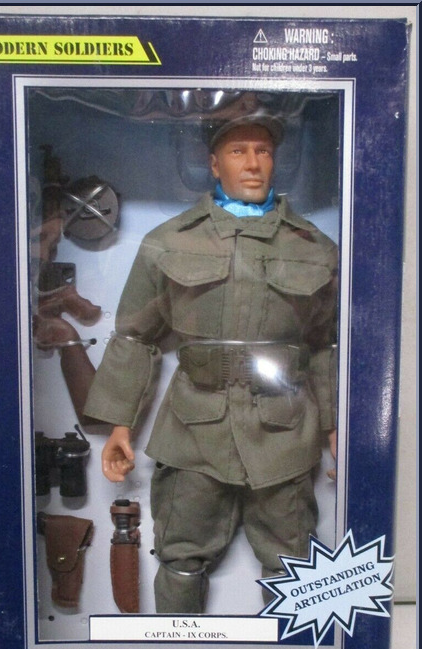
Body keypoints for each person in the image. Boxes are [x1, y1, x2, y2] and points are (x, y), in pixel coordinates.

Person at [84, 112, 338, 614]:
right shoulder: (171, 240)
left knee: (293, 565)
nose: (253, 163)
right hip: (193, 430)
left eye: (263, 151)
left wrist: (334, 428)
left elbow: (324, 346)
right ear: (214, 163)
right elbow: (135, 335)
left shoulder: (314, 248)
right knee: (180, 556)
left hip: (284, 434)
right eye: (238, 151)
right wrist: (119, 426)